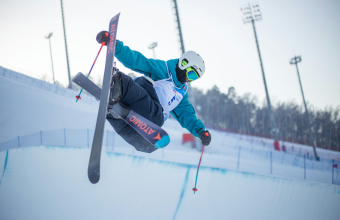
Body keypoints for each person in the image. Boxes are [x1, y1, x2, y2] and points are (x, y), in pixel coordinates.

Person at [96, 31, 211, 153]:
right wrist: (116, 46)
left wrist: (200, 131)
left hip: (143, 116)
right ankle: (118, 84)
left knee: (146, 144)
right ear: (184, 63)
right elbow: (137, 60)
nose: (189, 79)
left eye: (194, 78)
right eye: (191, 73)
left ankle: (115, 113)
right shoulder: (163, 69)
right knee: (157, 117)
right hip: (142, 97)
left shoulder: (182, 94)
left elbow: (187, 116)